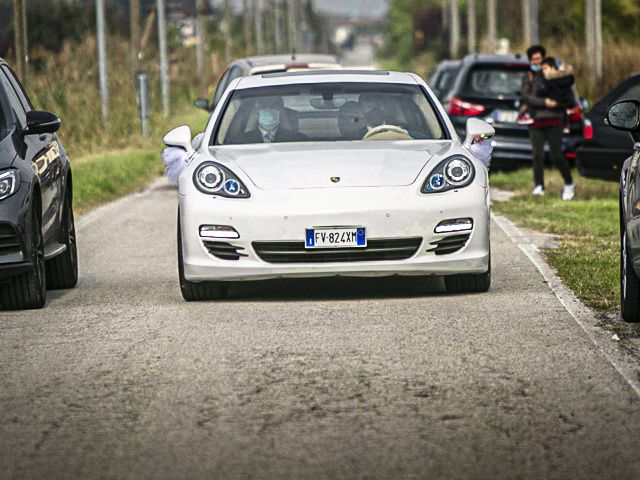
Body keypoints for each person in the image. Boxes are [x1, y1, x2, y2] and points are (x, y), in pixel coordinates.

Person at [520, 45, 575, 201]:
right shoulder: (529, 77)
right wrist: (545, 102)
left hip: (555, 119)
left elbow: (566, 98)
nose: (536, 62)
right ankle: (539, 185)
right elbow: (527, 96)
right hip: (536, 120)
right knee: (537, 154)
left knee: (556, 154)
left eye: (539, 59)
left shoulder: (555, 76)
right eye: (533, 59)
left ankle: (569, 183)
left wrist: (555, 102)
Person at [241, 99, 308, 144]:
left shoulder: (299, 139)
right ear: (256, 111)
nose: (268, 109)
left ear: (281, 110)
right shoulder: (242, 141)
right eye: (263, 105)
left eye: (274, 105)